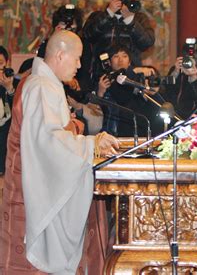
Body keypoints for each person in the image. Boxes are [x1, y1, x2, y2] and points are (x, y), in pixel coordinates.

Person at [0, 30, 119, 274]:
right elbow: (47, 140)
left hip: (33, 185)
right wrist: (91, 144)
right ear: (61, 55)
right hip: (29, 192)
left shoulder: (46, 84)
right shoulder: (41, 86)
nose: (79, 65)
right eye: (77, 58)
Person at [82, 0, 155, 79]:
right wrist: (108, 14)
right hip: (102, 76)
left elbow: (148, 42)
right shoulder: (98, 16)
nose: (124, 2)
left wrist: (130, 21)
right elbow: (87, 35)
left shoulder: (139, 18)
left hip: (132, 75)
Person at [163, 38, 197, 119]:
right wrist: (175, 72)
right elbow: (166, 89)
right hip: (174, 117)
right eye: (193, 58)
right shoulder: (178, 70)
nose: (196, 62)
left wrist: (193, 78)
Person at [0, 46, 15, 175]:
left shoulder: (12, 82)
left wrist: (9, 88)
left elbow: (18, 110)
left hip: (6, 136)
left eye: (0, 63)